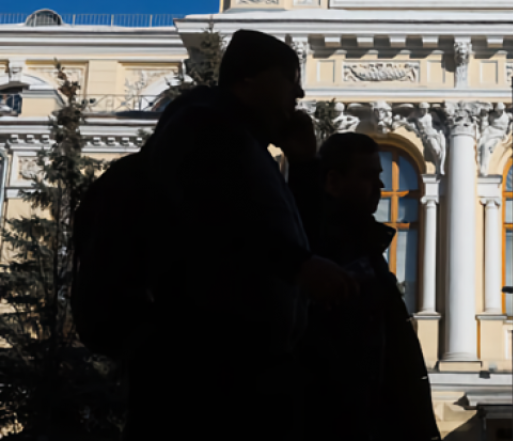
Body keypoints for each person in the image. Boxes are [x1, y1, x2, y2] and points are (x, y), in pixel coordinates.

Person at [123, 29, 359, 441]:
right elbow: (213, 222)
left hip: (251, 364)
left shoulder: (249, 149)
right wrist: (298, 265)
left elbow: (297, 238)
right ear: (248, 78)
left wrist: (305, 165)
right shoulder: (202, 129)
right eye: (289, 78)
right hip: (205, 369)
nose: (299, 93)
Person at [297, 132, 441, 441]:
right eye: (367, 176)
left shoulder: (362, 247)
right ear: (333, 181)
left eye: (379, 176)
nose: (381, 186)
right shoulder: (331, 252)